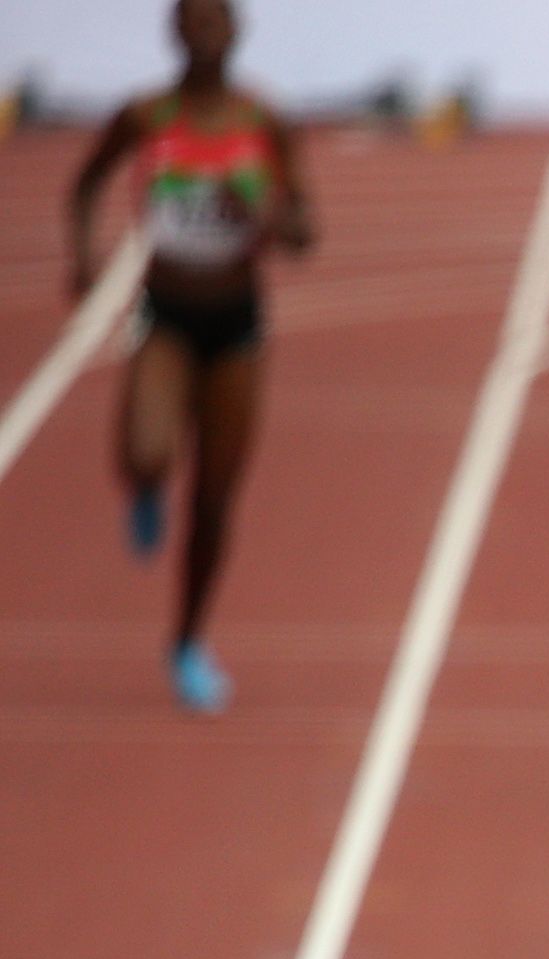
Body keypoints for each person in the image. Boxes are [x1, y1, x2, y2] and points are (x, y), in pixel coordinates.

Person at [66, 0, 314, 715]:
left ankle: (187, 643)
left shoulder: (262, 121)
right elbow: (86, 182)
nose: (206, 35)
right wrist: (84, 257)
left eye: (218, 22)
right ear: (174, 32)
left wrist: (263, 216)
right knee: (146, 455)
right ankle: (145, 487)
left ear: (237, 33)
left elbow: (304, 230)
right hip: (165, 316)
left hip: (237, 326)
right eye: (193, 22)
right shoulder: (145, 116)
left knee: (213, 500)